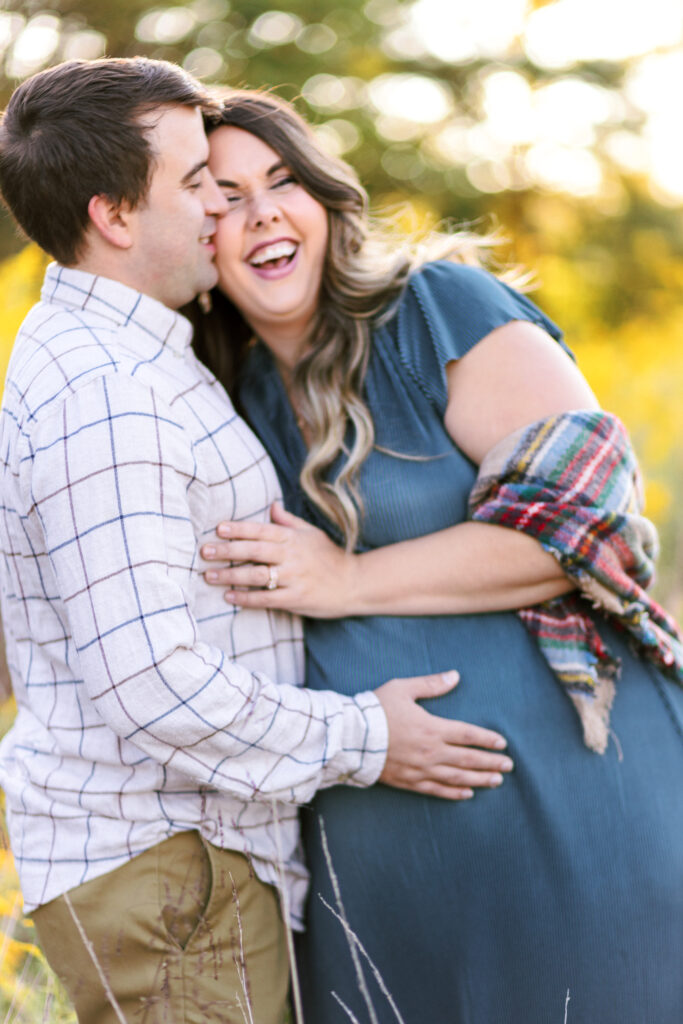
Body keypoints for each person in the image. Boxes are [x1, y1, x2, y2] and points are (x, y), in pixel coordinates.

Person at [0, 60, 513, 1024]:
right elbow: (149, 679)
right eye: (197, 183)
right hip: (172, 872)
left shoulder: (139, 356)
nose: (221, 212)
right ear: (114, 216)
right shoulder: (108, 396)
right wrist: (368, 737)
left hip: (186, 868)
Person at [192, 91, 683, 1023]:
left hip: (571, 803)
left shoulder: (434, 310)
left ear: (326, 200)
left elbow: (578, 525)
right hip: (372, 860)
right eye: (222, 198)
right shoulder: (218, 398)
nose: (259, 212)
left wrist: (346, 580)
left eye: (280, 179)